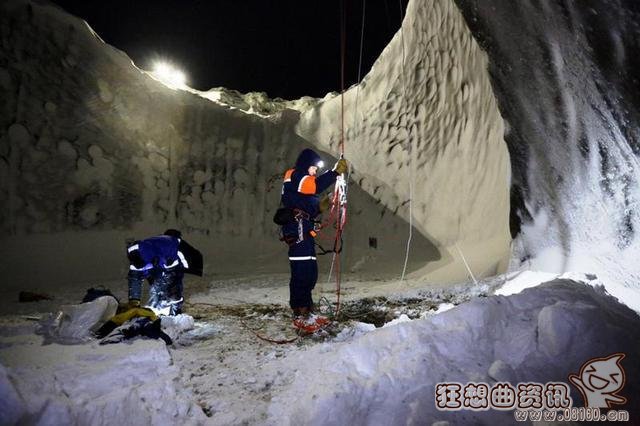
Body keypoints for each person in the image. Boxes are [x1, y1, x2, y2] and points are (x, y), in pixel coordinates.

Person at [279, 149, 348, 332]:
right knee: (301, 271)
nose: (314, 172)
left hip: (306, 229)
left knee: (310, 272)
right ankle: (299, 310)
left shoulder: (305, 185)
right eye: (313, 168)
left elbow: (309, 202)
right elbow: (314, 186)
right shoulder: (294, 175)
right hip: (297, 229)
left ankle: (307, 308)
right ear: (305, 164)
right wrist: (334, 173)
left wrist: (319, 207)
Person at [126, 229, 203, 316]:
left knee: (172, 283)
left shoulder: (171, 250)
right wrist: (134, 301)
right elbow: (134, 279)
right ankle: (160, 303)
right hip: (156, 259)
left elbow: (171, 278)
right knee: (159, 283)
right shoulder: (136, 259)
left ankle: (174, 308)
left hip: (169, 258)